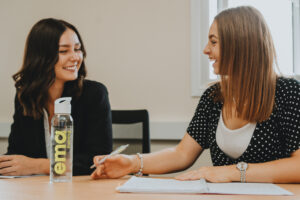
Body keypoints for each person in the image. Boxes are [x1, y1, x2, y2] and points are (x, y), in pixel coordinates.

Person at [91, 6, 300, 183]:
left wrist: (231, 172)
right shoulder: (214, 97)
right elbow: (182, 154)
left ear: (240, 44)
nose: (205, 50)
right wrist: (131, 163)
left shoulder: (288, 93)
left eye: (214, 42)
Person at [0, 18, 112, 176]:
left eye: (77, 49)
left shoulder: (94, 94)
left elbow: (99, 161)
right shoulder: (26, 96)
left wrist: (41, 166)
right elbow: (16, 154)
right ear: (41, 56)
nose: (75, 57)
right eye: (64, 51)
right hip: (35, 191)